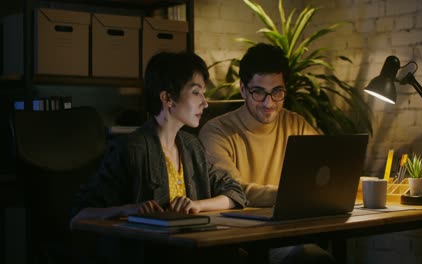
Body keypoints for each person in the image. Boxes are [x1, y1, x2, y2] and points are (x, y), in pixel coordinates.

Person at [70, 51, 247, 263]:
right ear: (167, 98)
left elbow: (234, 193)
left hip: (193, 252)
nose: (205, 103)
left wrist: (198, 205)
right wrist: (127, 209)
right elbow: (80, 213)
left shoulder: (192, 147)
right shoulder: (131, 149)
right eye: (196, 93)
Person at [199, 43, 336, 264]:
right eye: (259, 92)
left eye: (277, 92)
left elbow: (327, 169)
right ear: (243, 89)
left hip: (289, 233)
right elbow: (235, 191)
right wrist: (288, 195)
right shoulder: (217, 131)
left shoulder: (296, 125)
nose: (269, 103)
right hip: (241, 238)